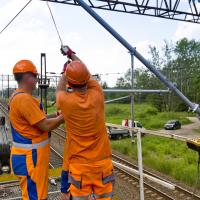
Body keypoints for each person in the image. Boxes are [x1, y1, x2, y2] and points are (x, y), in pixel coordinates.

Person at [56, 46, 115, 200]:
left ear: (70, 82)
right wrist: (71, 54)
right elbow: (86, 74)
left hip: (80, 168)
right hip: (103, 165)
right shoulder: (98, 93)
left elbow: (59, 90)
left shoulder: (66, 102)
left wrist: (65, 72)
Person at [9, 60, 64, 200]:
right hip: (30, 159)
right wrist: (63, 117)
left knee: (37, 195)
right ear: (27, 77)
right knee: (34, 196)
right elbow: (45, 125)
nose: (38, 78)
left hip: (30, 158)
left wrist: (55, 115)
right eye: (35, 75)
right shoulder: (24, 100)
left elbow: (38, 119)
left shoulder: (19, 96)